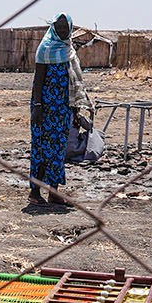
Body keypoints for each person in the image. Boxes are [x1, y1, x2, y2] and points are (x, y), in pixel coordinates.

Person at [29, 13, 95, 205]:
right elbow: (38, 81)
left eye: (66, 29)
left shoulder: (69, 51)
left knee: (58, 150)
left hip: (63, 109)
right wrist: (38, 107)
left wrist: (74, 110)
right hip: (44, 109)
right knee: (41, 149)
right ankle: (34, 193)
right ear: (53, 28)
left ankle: (54, 193)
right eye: (59, 28)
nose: (62, 31)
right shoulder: (45, 49)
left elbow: (74, 83)